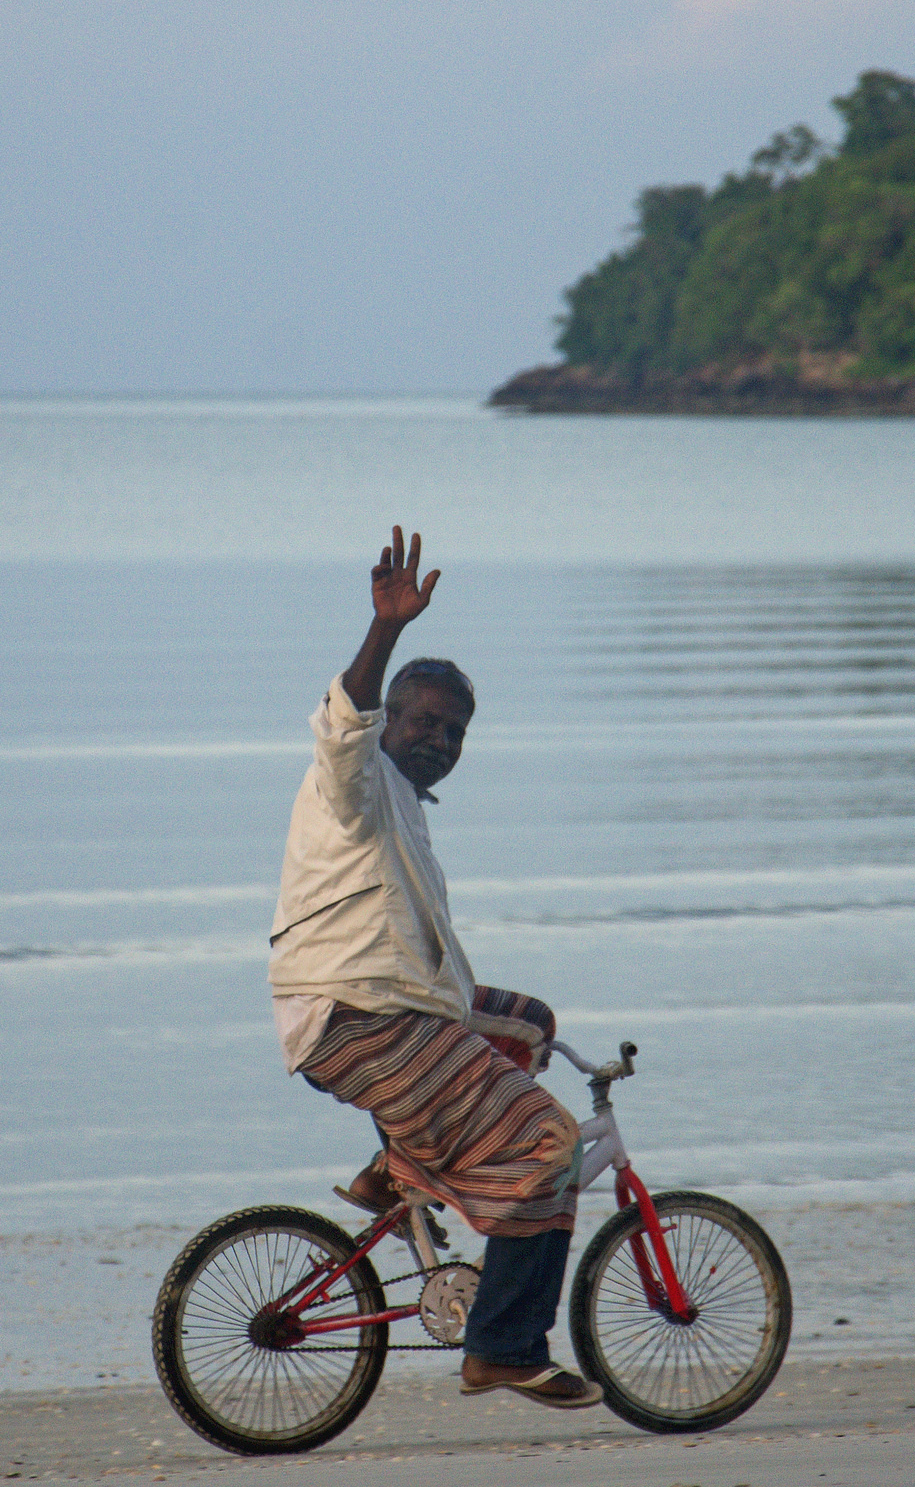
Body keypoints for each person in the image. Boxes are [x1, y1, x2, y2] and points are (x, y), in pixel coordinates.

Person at [268, 526, 599, 1411]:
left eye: (455, 730)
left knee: (532, 1022)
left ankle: (399, 1165)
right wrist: (385, 630)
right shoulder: (359, 780)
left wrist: (496, 1026)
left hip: (406, 1005)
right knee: (550, 1142)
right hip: (356, 1014)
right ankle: (503, 1345)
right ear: (393, 724)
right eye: (426, 722)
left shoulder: (409, 804)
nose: (441, 738)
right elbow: (345, 726)